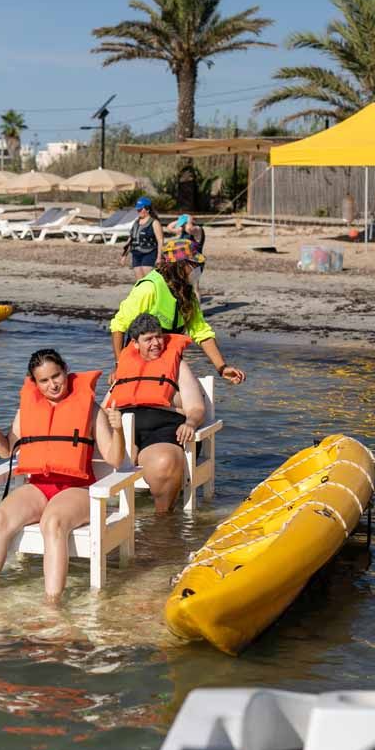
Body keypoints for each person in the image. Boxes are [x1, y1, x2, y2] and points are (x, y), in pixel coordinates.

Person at [0, 349, 125, 601]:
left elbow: (114, 458)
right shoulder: (27, 410)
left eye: (56, 376)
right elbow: (5, 451)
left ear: (65, 370)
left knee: (52, 522)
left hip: (77, 489)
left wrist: (118, 430)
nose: (52, 385)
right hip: (39, 486)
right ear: (34, 383)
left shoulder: (90, 409)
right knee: (0, 517)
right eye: (43, 381)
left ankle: (52, 604)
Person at [106, 313, 205, 514]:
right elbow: (105, 407)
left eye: (159, 336)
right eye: (148, 339)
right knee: (102, 456)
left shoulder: (177, 366)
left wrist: (191, 423)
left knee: (164, 463)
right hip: (125, 429)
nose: (156, 343)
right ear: (134, 343)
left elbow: (196, 407)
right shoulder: (125, 367)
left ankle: (163, 521)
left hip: (164, 429)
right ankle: (114, 522)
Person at [110, 239, 246, 385]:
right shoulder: (149, 288)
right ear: (178, 266)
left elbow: (201, 332)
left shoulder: (188, 295)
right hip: (140, 358)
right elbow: (119, 326)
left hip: (169, 359)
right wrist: (119, 365)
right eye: (193, 264)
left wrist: (222, 367)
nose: (198, 269)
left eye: (199, 264)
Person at [121, 196, 164, 280]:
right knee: (140, 281)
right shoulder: (136, 223)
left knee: (149, 280)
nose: (138, 211)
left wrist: (159, 257)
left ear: (147, 209)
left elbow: (160, 240)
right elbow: (131, 239)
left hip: (150, 253)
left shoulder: (154, 222)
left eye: (140, 209)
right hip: (136, 254)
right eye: (137, 209)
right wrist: (124, 255)